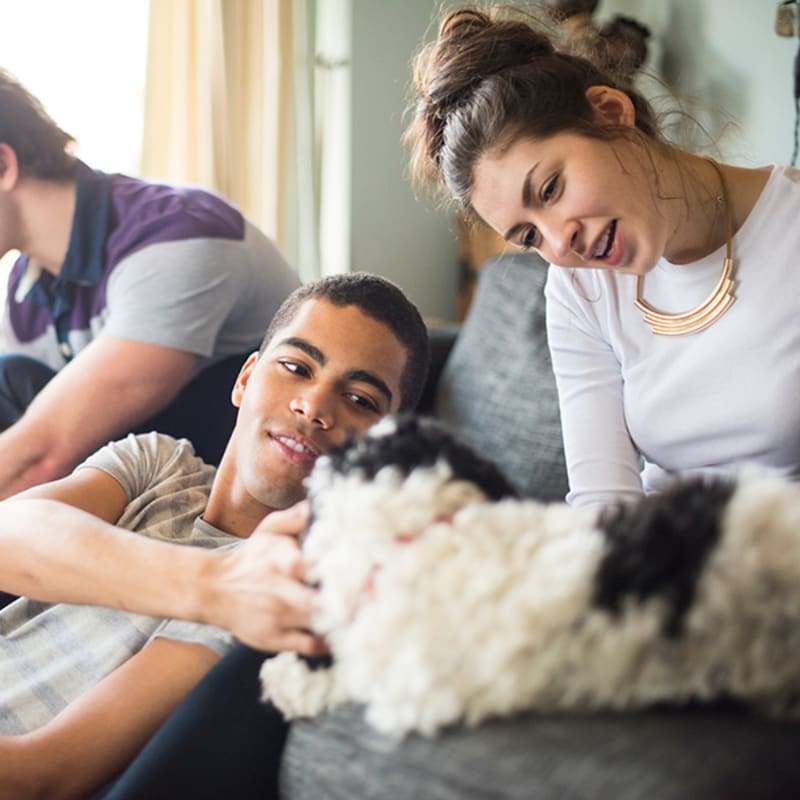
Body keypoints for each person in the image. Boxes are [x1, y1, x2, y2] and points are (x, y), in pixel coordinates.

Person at [0, 272, 431, 799]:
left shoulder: (275, 595)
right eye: (296, 368)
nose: (314, 407)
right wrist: (214, 582)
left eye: (361, 400)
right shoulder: (157, 464)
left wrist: (231, 591)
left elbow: (41, 776)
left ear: (382, 450)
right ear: (246, 379)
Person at [405, 4, 800, 508]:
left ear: (612, 114)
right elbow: (602, 502)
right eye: (529, 237)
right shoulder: (579, 289)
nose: (560, 244)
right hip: (654, 563)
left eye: (550, 188)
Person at [0, 67, 300, 502]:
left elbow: (40, 459)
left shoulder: (178, 238)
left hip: (228, 488)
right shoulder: (25, 287)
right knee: (11, 376)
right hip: (132, 474)